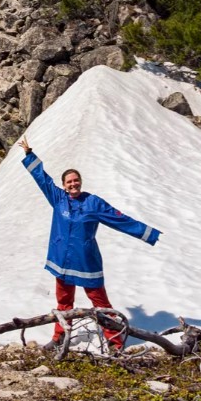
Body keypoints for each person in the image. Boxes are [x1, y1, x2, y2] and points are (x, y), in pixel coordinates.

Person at [19, 137, 161, 352]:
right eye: (69, 182)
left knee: (101, 304)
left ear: (80, 182)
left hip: (86, 262)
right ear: (64, 186)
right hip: (62, 262)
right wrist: (30, 155)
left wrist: (147, 233)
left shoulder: (92, 202)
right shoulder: (58, 199)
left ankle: (115, 341)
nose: (73, 184)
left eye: (76, 180)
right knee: (63, 304)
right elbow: (43, 180)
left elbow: (119, 218)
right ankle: (59, 338)